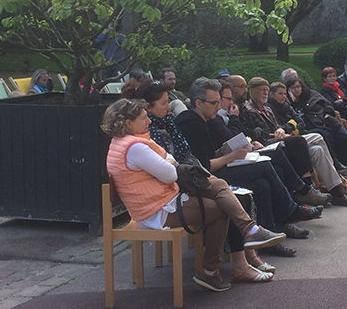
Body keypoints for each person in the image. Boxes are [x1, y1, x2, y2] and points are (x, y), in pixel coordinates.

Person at [101, 98, 285, 291]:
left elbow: (169, 160)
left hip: (155, 205)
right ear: (128, 123)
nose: (148, 121)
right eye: (143, 118)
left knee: (219, 185)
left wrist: (167, 162)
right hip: (156, 211)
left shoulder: (121, 143)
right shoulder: (135, 147)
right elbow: (170, 172)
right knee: (221, 207)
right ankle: (215, 266)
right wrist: (168, 163)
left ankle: (245, 236)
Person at [175, 78, 324, 243]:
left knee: (263, 183)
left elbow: (214, 151)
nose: (218, 106)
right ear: (199, 103)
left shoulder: (205, 120)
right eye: (214, 103)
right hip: (206, 179)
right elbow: (204, 166)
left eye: (219, 102)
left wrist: (230, 151)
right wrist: (233, 155)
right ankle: (292, 208)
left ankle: (271, 233)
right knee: (265, 164)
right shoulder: (191, 124)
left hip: (217, 169)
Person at [242, 78, 347, 207]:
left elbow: (297, 122)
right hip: (272, 144)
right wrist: (282, 132)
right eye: (262, 90)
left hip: (286, 139)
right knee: (317, 136)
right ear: (251, 91)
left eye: (266, 90)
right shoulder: (248, 110)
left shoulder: (269, 109)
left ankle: (336, 192)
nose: (265, 93)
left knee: (317, 150)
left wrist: (284, 130)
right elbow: (257, 133)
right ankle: (325, 180)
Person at [286, 77, 347, 167]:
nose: (296, 90)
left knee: (345, 137)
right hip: (310, 126)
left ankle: (344, 163)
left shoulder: (311, 94)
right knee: (325, 135)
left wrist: (328, 113)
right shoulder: (288, 103)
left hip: (325, 121)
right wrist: (292, 102)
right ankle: (335, 165)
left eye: (298, 87)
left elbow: (327, 104)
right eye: (293, 88)